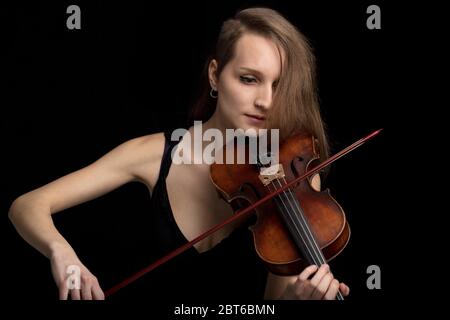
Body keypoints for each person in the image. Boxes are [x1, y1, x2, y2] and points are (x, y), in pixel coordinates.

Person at [8, 7, 350, 300]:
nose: (266, 102)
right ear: (215, 75)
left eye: (279, 86)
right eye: (249, 79)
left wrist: (294, 298)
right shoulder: (152, 154)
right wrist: (63, 253)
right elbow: (27, 205)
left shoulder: (296, 178)